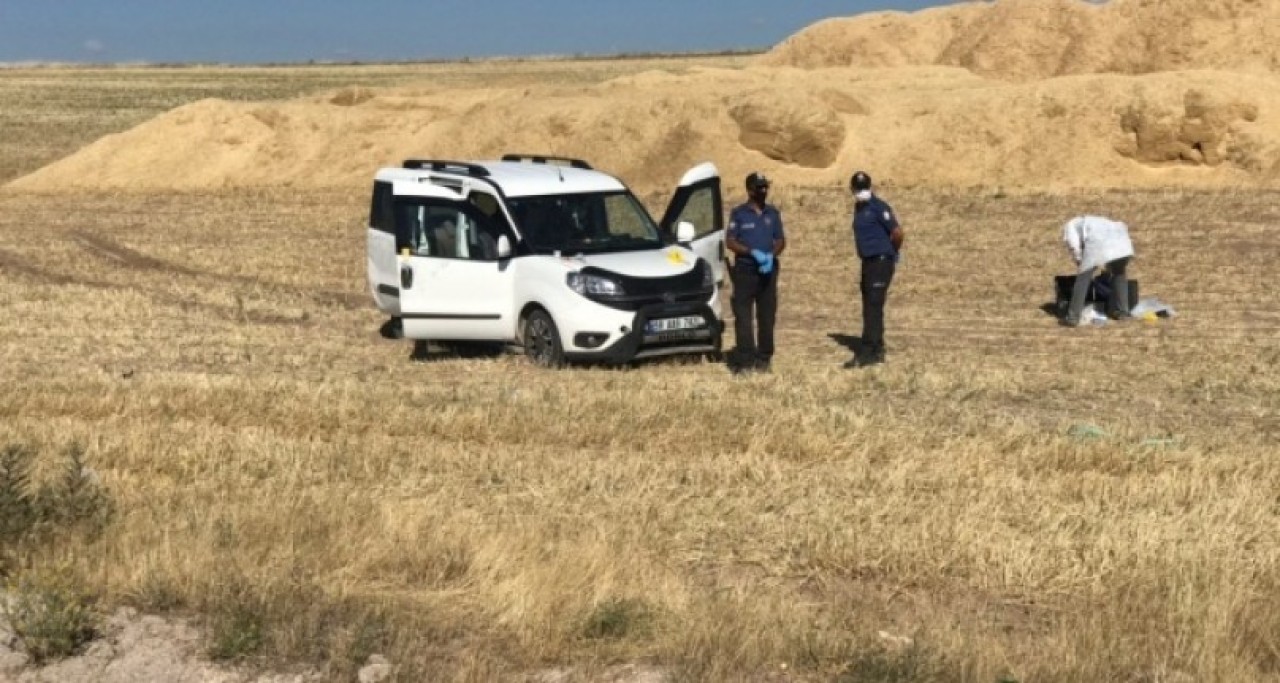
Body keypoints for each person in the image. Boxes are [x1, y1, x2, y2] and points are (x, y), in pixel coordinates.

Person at [725, 172, 786, 373]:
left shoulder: (773, 214)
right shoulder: (739, 214)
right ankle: (745, 360)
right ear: (750, 190)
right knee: (743, 316)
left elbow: (780, 240)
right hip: (745, 271)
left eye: (766, 187)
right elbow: (731, 241)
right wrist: (752, 253)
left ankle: (764, 357)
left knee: (767, 315)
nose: (764, 191)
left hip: (767, 271)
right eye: (760, 188)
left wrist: (770, 255)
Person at [844, 171, 904, 368]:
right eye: (857, 188)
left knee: (873, 305)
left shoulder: (879, 207)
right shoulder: (859, 208)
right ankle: (875, 347)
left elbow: (896, 232)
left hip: (880, 261)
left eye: (863, 188)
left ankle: (870, 352)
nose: (860, 192)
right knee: (869, 305)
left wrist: (891, 252)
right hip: (868, 262)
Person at [1061, 215, 1134, 326]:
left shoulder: (1070, 226)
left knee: (1083, 278)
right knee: (1119, 273)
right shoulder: (1095, 222)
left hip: (1099, 240)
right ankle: (1123, 312)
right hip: (1123, 241)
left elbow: (1074, 246)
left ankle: (1072, 317)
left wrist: (1079, 261)